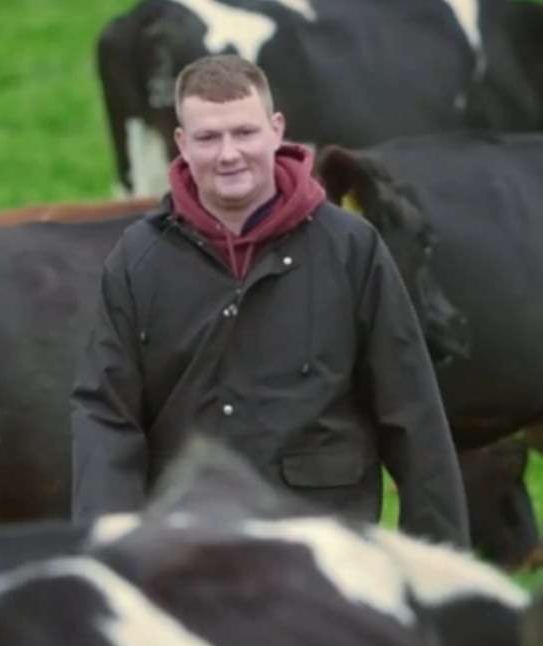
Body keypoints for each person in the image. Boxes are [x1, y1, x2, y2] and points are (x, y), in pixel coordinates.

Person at [70, 54, 471, 547]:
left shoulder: (350, 248)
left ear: (277, 130)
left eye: (244, 132)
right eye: (208, 137)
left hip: (324, 542)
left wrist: (439, 556)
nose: (229, 154)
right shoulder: (139, 257)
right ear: (181, 143)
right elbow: (106, 414)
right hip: (186, 541)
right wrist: (108, 544)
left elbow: (411, 408)